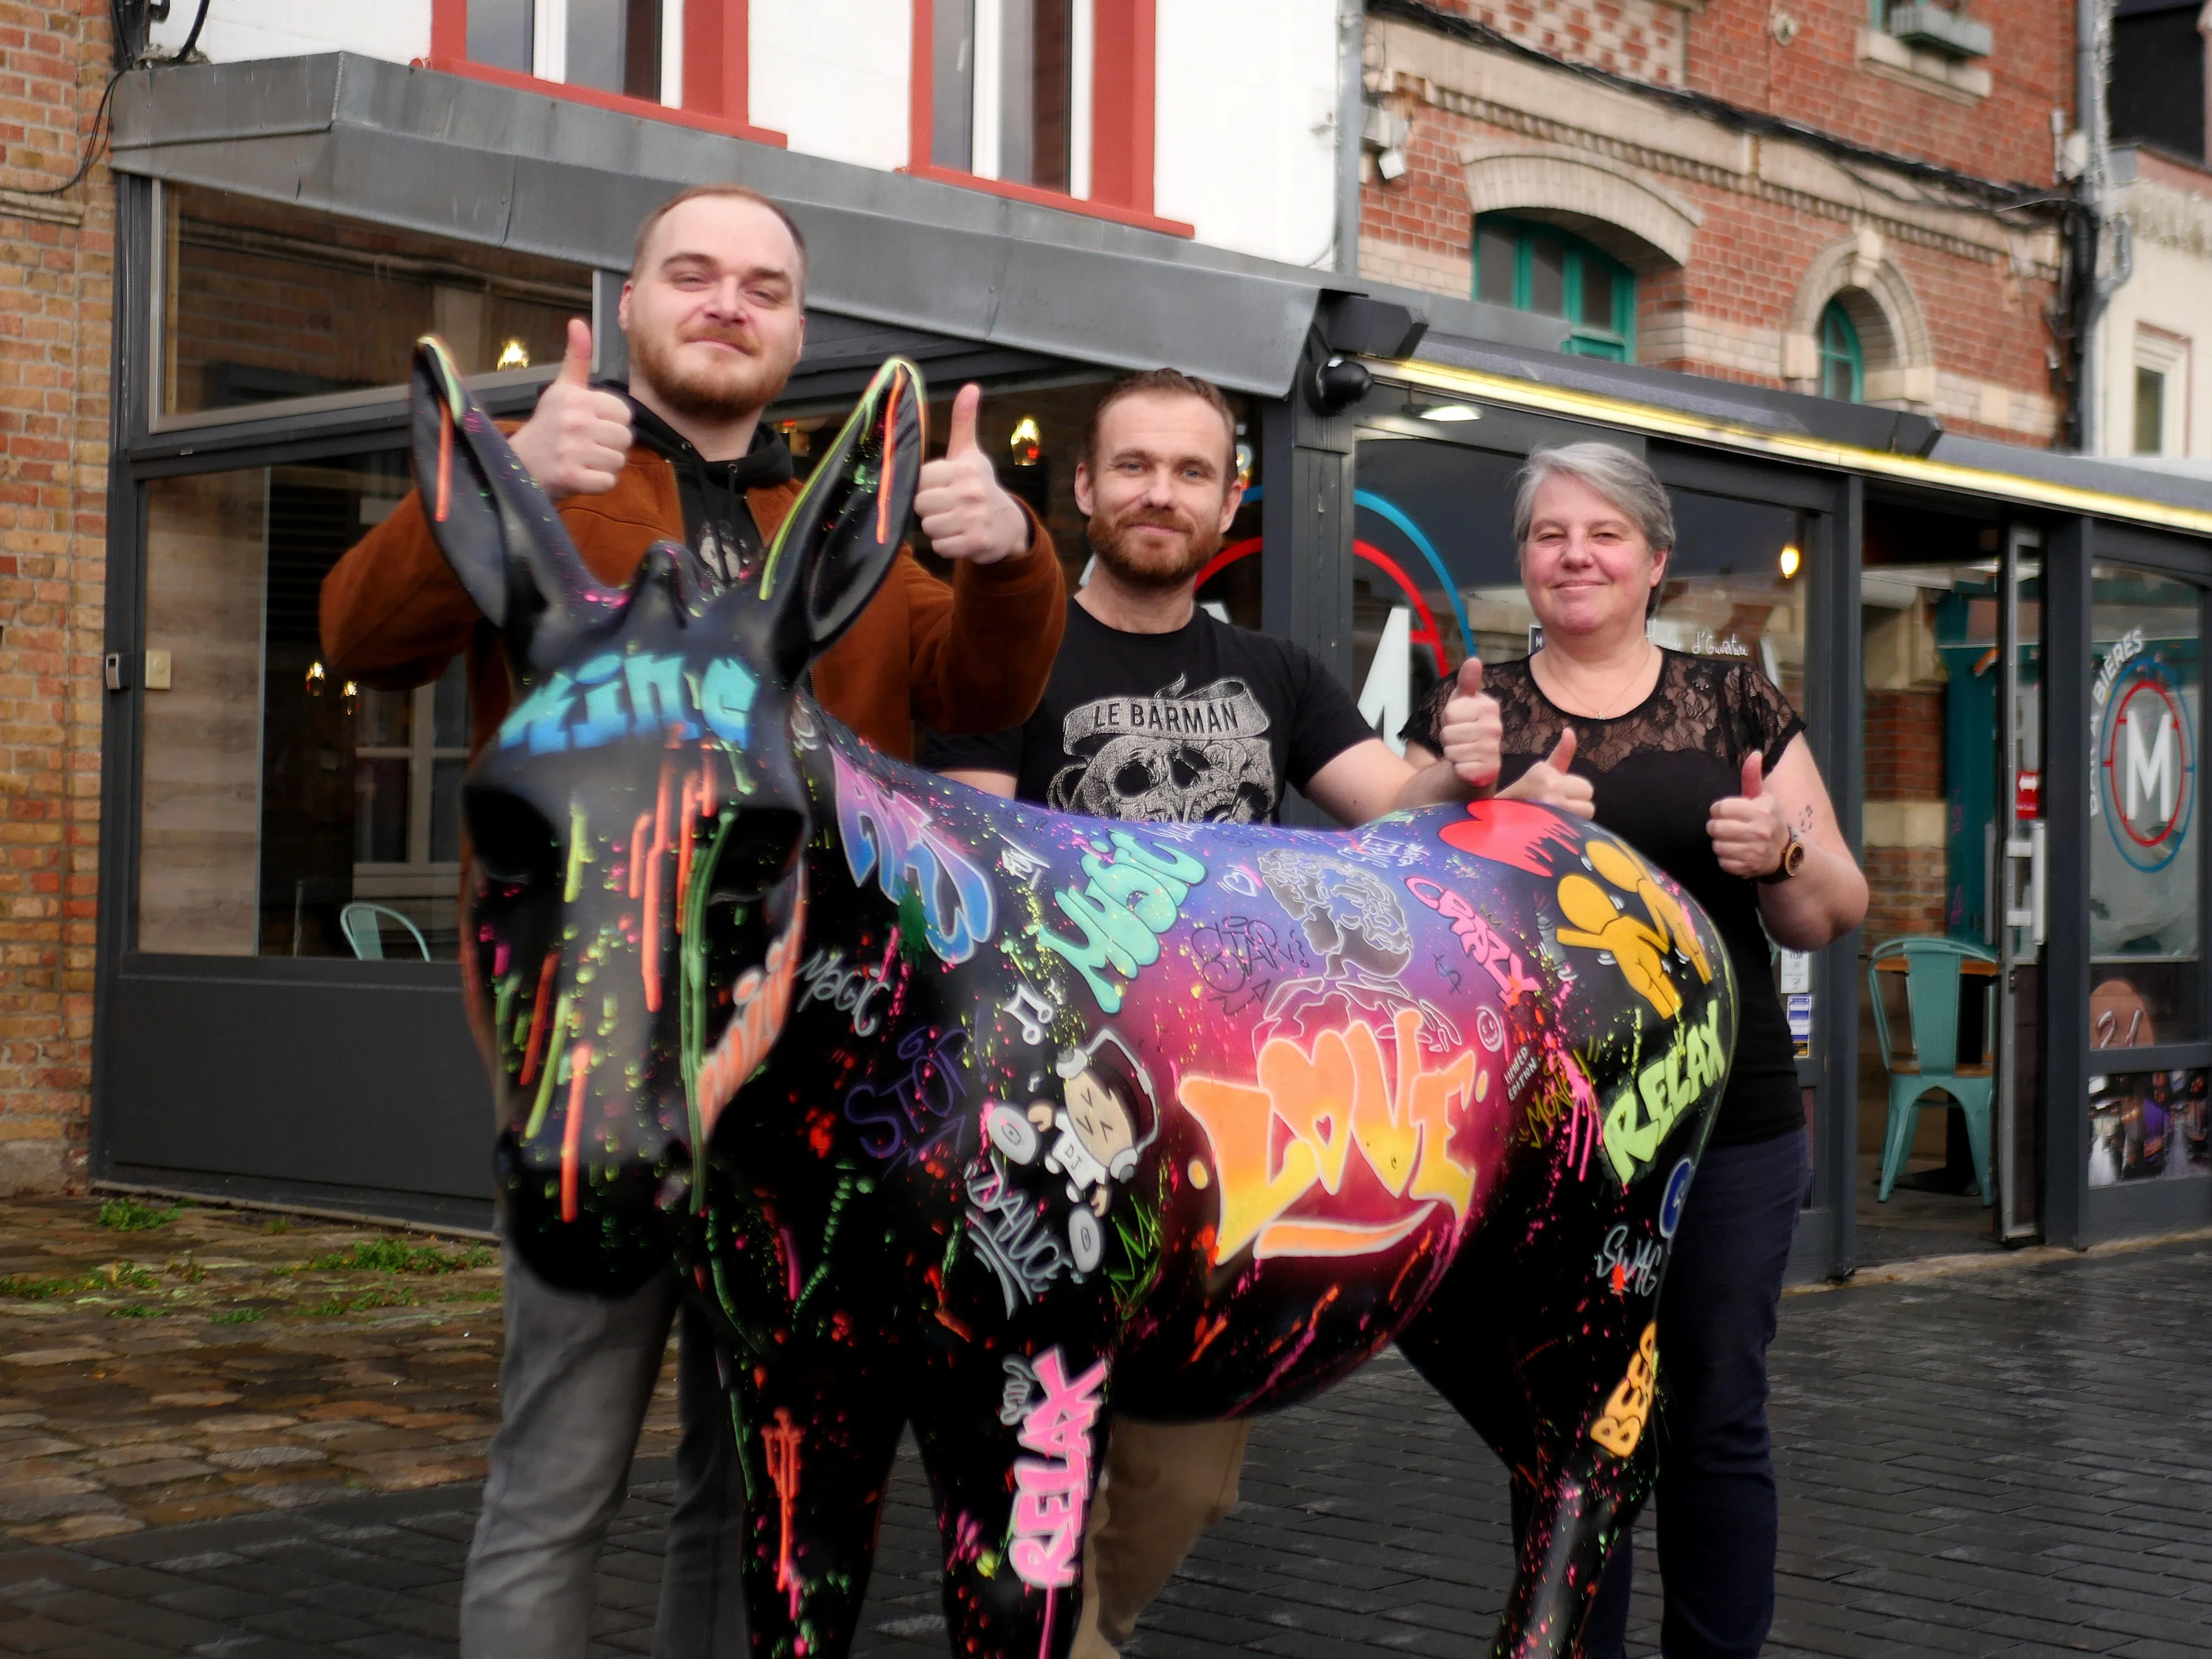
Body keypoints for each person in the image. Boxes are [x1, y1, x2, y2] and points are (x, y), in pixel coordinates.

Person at [318, 182, 1066, 1659]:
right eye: (694, 272)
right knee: (554, 1486)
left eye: (764, 286)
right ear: (629, 307)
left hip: (803, 1113)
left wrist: (1005, 555)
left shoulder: (836, 533)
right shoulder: (557, 482)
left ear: (794, 331)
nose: (728, 301)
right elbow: (358, 636)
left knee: (751, 1501)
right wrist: (504, 470)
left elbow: (980, 694)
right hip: (599, 1089)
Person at [921, 366, 1499, 1659]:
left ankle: (1079, 1624)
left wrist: (1460, 763)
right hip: (1049, 1121)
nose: (1159, 494)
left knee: (1192, 1475)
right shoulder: (1007, 649)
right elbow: (966, 867)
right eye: (1133, 466)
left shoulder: (1275, 669)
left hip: (1227, 1130)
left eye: (1190, 472)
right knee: (1038, 1434)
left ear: (1229, 495)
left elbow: (1387, 814)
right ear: (1083, 487)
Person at [1400, 441, 1867, 1659]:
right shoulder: (1473, 707)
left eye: (1604, 532)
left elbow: (1835, 907)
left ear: (1656, 559)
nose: (1576, 555)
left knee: (1713, 1413)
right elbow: (1386, 892)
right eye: (1551, 533)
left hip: (1728, 1126)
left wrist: (1784, 852)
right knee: (1566, 1420)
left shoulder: (1734, 701)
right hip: (1553, 1142)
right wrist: (1471, 806)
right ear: (1523, 560)